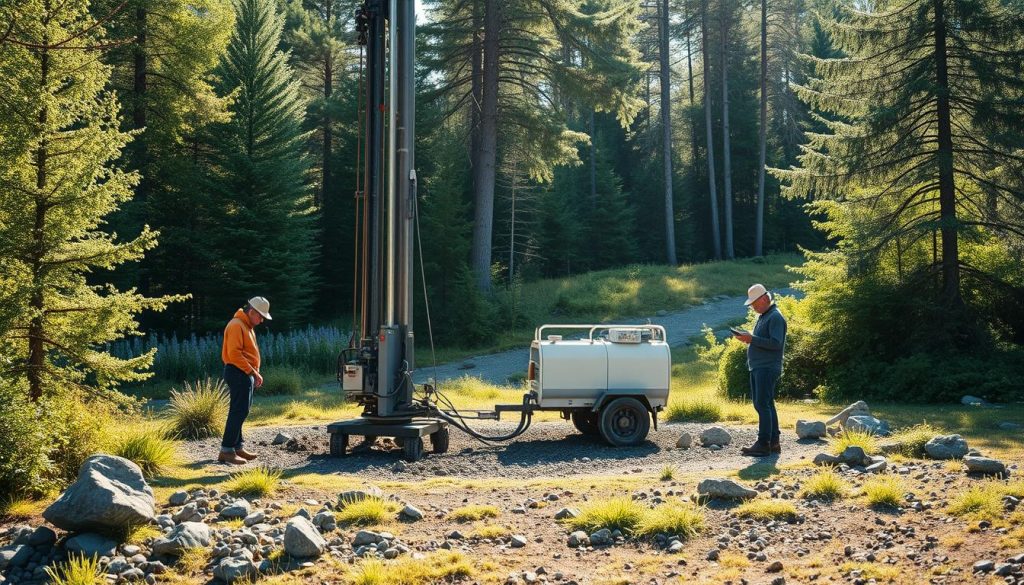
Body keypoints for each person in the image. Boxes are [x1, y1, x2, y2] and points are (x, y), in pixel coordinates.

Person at [732, 284, 787, 457]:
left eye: (755, 304)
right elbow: (764, 340)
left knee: (762, 404)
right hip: (760, 366)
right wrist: (749, 338)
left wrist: (751, 339)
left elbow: (776, 343)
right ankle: (773, 442)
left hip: (766, 367)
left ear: (764, 299)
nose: (753, 308)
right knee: (767, 404)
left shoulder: (775, 317)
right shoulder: (765, 316)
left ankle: (763, 443)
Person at [219, 296, 271, 465]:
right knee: (238, 411)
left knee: (242, 410)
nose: (262, 320)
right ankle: (226, 450)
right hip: (238, 372)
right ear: (252, 311)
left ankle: (237, 447)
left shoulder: (246, 326)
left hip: (243, 373)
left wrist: (253, 373)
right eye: (260, 316)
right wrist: (253, 372)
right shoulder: (236, 325)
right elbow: (234, 354)